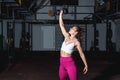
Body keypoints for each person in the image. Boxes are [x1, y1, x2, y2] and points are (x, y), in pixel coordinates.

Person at [59, 10, 88, 80]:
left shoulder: (76, 42)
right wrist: (60, 14)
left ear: (76, 32)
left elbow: (81, 54)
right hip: (62, 63)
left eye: (72, 29)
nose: (70, 28)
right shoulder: (66, 36)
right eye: (71, 28)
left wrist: (86, 65)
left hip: (70, 64)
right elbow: (61, 25)